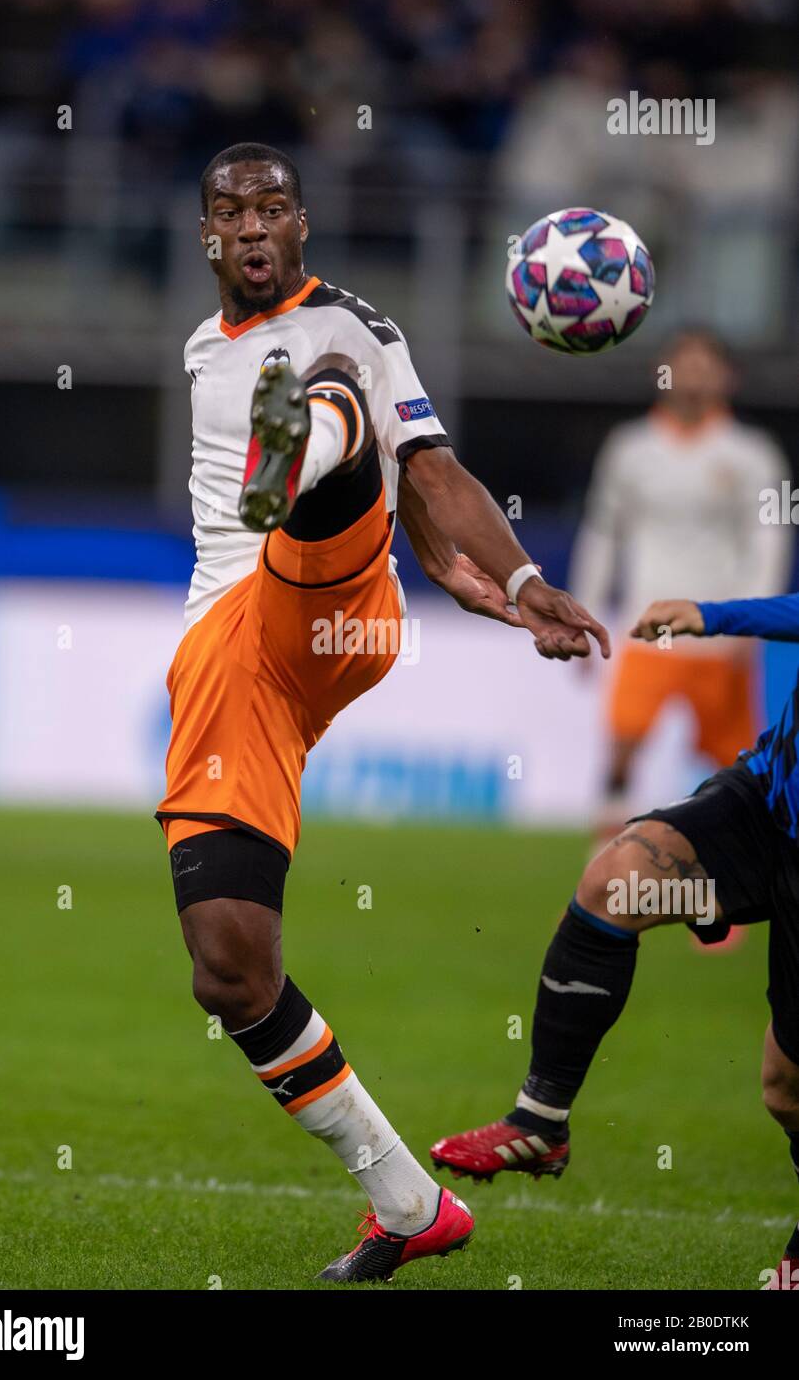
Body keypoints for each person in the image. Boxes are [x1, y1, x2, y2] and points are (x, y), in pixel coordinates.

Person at [154, 141, 610, 1283]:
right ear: (207, 236)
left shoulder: (354, 322)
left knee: (336, 401)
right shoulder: (201, 348)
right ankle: (406, 1203)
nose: (250, 227)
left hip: (324, 600)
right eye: (228, 213)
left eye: (269, 208)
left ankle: (300, 443)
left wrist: (511, 580)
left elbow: (438, 472)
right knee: (228, 966)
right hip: (228, 659)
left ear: (301, 224)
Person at [432, 592, 799, 1289]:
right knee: (617, 880)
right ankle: (540, 1122)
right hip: (772, 802)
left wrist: (718, 616)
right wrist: (710, 614)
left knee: (786, 1088)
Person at [569, 329, 790, 843]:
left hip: (719, 634)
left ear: (727, 376)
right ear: (661, 373)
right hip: (648, 628)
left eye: (705, 364)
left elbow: (769, 539)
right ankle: (604, 882)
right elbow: (603, 533)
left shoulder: (751, 454)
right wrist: (584, 610)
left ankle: (725, 902)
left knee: (732, 769)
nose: (693, 374)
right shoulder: (631, 449)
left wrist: (750, 622)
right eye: (682, 363)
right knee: (622, 747)